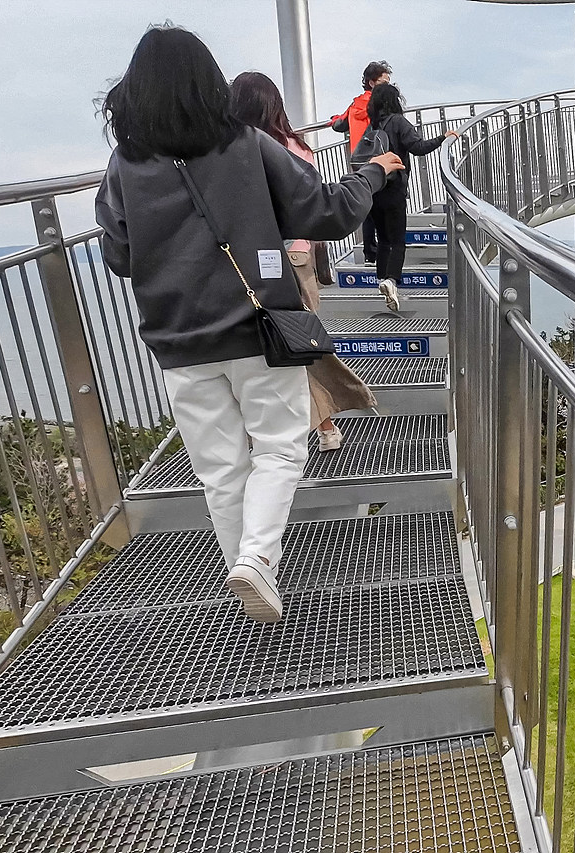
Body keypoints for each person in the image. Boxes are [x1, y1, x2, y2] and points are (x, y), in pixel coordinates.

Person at [95, 26, 404, 623]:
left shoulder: (123, 165)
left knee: (220, 469)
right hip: (257, 328)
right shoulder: (246, 144)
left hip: (179, 341)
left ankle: (252, 573)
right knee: (280, 448)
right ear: (208, 82)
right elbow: (326, 212)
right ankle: (257, 559)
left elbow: (120, 256)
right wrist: (372, 173)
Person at [229, 70, 377, 454]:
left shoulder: (228, 153)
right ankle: (322, 428)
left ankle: (282, 434)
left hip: (247, 263)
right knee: (298, 341)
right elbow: (313, 204)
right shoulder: (294, 147)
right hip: (296, 254)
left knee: (271, 348)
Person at [364, 82, 459, 311]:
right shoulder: (398, 122)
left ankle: (381, 280)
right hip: (394, 188)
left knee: (383, 239)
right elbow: (418, 147)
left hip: (374, 188)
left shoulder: (372, 128)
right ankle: (391, 281)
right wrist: (442, 138)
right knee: (398, 241)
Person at [330, 61, 392, 269]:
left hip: (358, 160)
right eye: (384, 82)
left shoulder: (355, 104)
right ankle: (386, 251)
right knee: (384, 204)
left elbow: (340, 124)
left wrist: (333, 119)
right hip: (378, 158)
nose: (388, 86)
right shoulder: (379, 104)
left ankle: (369, 254)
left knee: (367, 206)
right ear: (372, 83)